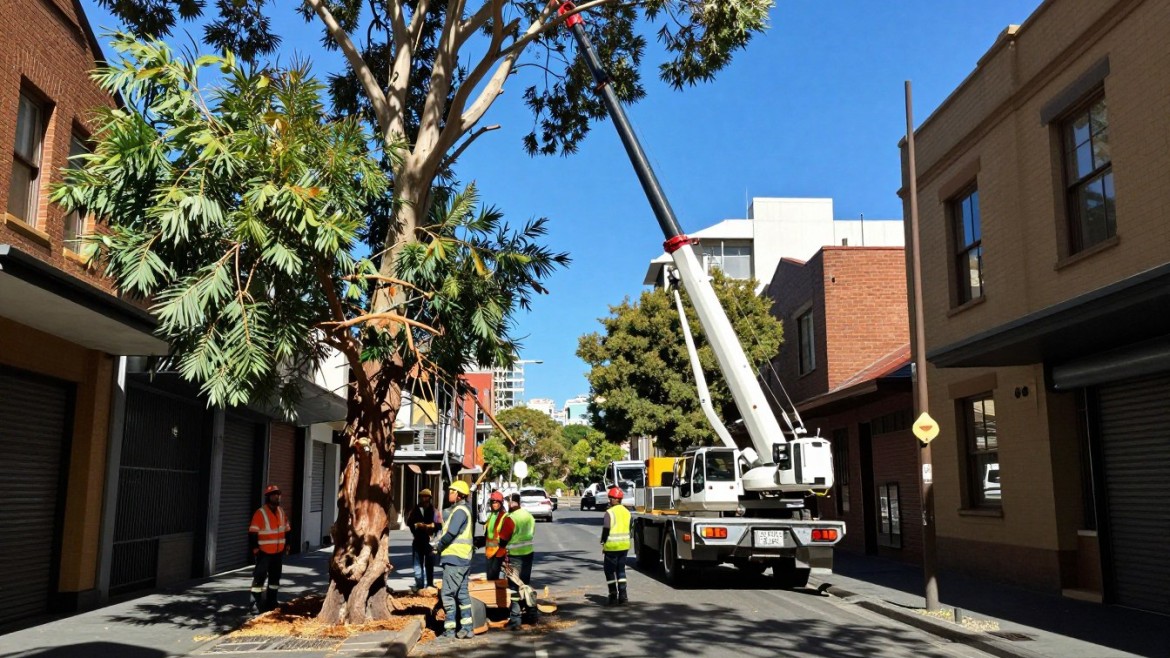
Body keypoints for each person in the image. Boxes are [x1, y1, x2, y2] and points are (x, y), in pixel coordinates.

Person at [434, 480, 475, 639]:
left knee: (448, 595)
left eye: (452, 491)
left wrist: (438, 547)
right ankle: (467, 628)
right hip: (463, 559)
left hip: (454, 559)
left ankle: (449, 630)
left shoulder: (459, 511)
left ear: (459, 495)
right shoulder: (463, 510)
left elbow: (450, 534)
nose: (449, 493)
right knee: (462, 595)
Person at [248, 484, 291, 613]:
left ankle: (272, 601)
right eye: (274, 495)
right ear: (268, 497)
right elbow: (252, 532)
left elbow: (287, 530)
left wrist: (287, 545)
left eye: (278, 494)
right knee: (259, 577)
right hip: (264, 552)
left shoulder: (281, 512)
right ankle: (255, 603)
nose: (277, 497)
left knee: (275, 578)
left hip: (278, 552)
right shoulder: (260, 513)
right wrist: (255, 549)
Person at [505, 492, 537, 625]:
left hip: (514, 555)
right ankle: (531, 615)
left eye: (508, 502)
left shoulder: (510, 518)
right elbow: (532, 533)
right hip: (528, 553)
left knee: (514, 587)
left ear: (511, 503)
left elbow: (504, 537)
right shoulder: (529, 516)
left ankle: (515, 619)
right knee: (525, 584)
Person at [600, 486, 630, 605]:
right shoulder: (627, 512)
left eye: (611, 498)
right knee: (621, 571)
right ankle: (623, 597)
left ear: (615, 499)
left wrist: (603, 542)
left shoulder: (610, 512)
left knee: (609, 571)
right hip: (624, 546)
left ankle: (613, 596)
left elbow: (606, 530)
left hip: (612, 547)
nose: (610, 500)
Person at [407, 488, 441, 592]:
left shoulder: (434, 511)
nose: (424, 498)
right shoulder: (415, 510)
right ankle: (419, 585)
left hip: (429, 541)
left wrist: (431, 527)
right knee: (418, 565)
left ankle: (430, 584)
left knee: (429, 564)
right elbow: (409, 523)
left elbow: (439, 525)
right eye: (422, 496)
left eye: (426, 496)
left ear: (429, 498)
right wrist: (417, 527)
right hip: (418, 540)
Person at [478, 491, 510, 581]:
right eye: (493, 502)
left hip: (499, 552)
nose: (494, 504)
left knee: (495, 578)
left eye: (496, 502)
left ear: (501, 503)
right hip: (490, 552)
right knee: (490, 577)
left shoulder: (505, 517)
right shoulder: (491, 516)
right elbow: (488, 534)